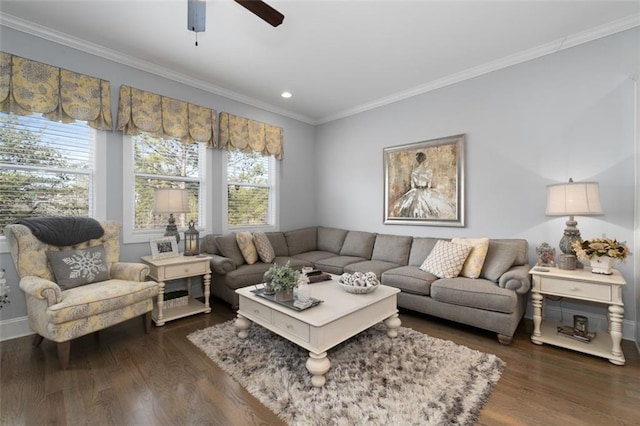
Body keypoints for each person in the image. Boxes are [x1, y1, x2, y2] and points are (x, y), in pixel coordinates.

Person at [390, 152, 456, 219]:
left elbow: (413, 186)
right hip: (426, 192)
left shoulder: (414, 171)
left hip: (416, 192)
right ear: (424, 160)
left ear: (417, 160)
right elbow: (429, 185)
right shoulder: (428, 171)